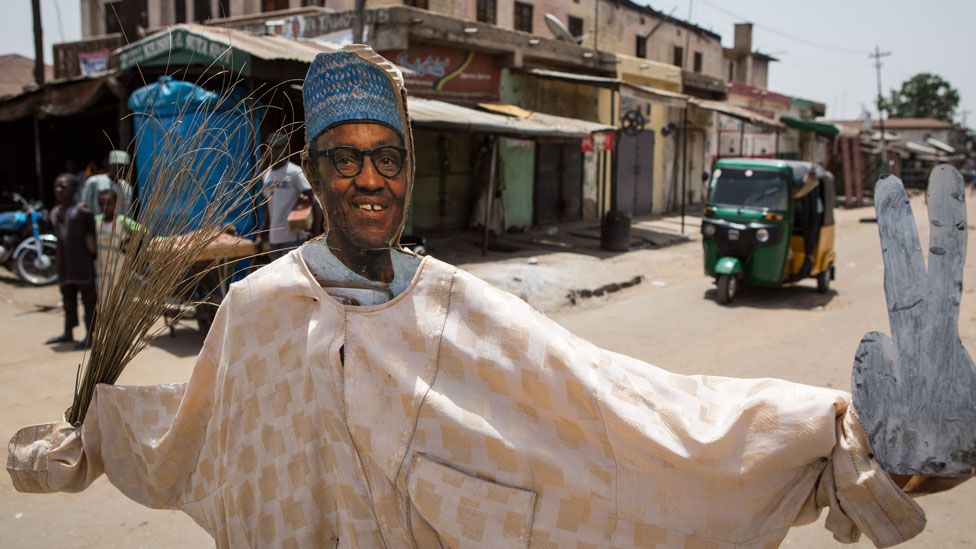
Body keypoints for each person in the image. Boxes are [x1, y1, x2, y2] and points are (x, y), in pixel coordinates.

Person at [8, 46, 970, 548]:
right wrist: (88, 436)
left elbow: (637, 419)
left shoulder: (466, 315)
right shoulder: (257, 311)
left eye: (387, 157)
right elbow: (193, 433)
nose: (370, 179)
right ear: (312, 173)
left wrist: (848, 442)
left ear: (410, 169)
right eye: (344, 161)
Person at [44, 173, 96, 349]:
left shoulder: (82, 210)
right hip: (64, 264)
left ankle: (90, 335)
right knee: (68, 300)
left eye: (63, 186)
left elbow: (93, 235)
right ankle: (68, 331)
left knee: (89, 301)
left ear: (74, 189)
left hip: (82, 264)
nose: (58, 190)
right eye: (56, 186)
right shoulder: (55, 212)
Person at [257, 130, 318, 261]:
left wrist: (314, 230)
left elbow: (311, 197)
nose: (275, 152)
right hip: (274, 238)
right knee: (278, 279)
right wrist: (263, 233)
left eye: (279, 148)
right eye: (273, 149)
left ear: (285, 149)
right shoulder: (266, 175)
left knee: (293, 278)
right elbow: (269, 206)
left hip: (293, 237)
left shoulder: (294, 171)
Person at [94, 188, 142, 294]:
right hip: (102, 270)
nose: (104, 207)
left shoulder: (122, 221)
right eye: (101, 204)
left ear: (116, 204)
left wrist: (128, 243)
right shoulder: (96, 221)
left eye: (108, 204)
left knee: (119, 295)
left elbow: (144, 232)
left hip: (119, 268)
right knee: (103, 297)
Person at [80, 150, 133, 217]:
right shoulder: (94, 181)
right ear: (110, 166)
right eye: (119, 166)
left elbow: (129, 212)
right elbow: (84, 205)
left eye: (126, 168)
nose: (123, 170)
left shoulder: (127, 187)